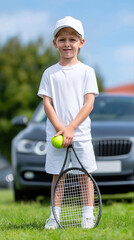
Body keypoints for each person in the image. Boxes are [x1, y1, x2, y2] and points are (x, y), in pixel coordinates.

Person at [38, 16, 99, 229]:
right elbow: (47, 104)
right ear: (55, 43)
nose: (67, 44)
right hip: (56, 135)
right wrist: (61, 129)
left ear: (81, 42)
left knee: (85, 175)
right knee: (58, 176)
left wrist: (71, 128)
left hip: (80, 133)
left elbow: (89, 103)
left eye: (72, 39)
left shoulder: (87, 72)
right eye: (62, 39)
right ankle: (55, 217)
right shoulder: (49, 73)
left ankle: (87, 217)